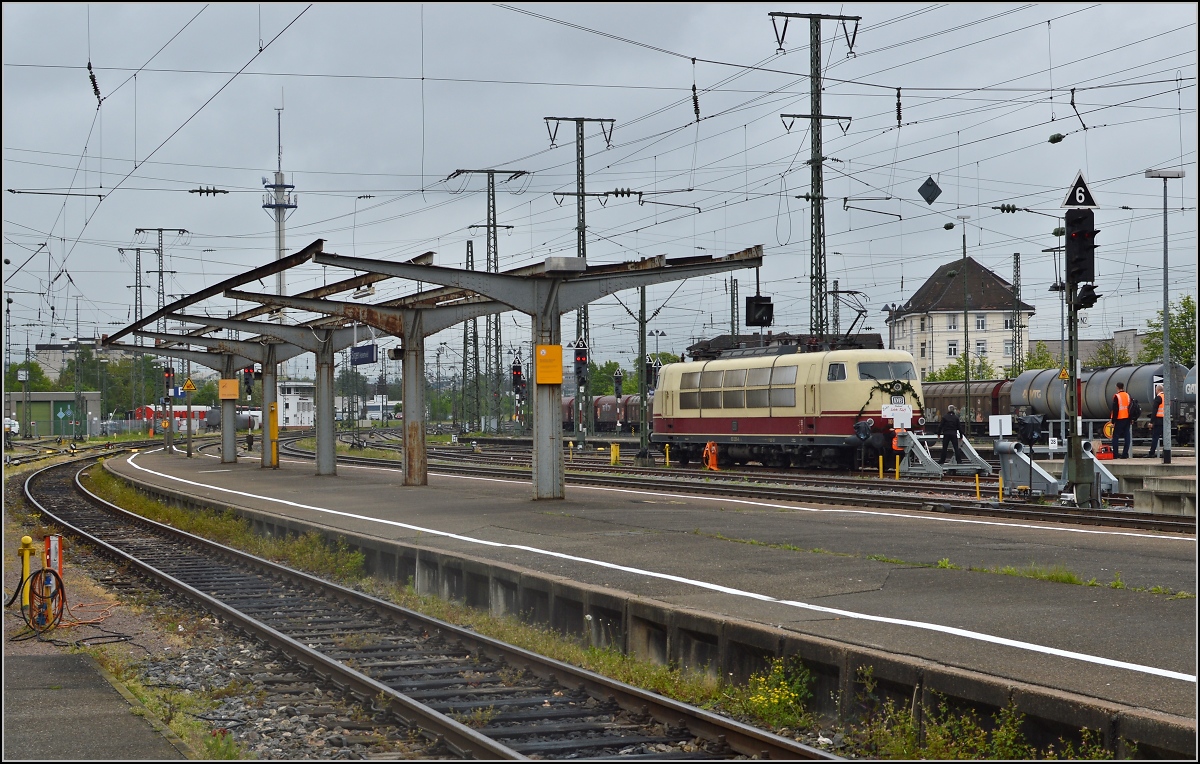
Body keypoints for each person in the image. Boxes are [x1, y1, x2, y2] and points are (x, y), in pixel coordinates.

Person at [1109, 381, 1133, 459]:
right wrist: (1132, 418)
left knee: (1115, 436)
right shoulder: (1128, 395)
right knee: (1127, 436)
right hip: (1127, 419)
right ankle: (1125, 454)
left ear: (1117, 387)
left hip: (1119, 419)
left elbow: (1115, 409)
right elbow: (1131, 408)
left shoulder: (1116, 396)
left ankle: (1115, 454)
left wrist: (1113, 421)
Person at [1147, 383, 1165, 458]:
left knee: (1155, 437)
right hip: (1165, 420)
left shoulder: (1158, 398)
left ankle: (1151, 453)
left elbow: (1154, 410)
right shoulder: (1166, 397)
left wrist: (1151, 422)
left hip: (1158, 420)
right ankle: (1165, 452)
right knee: (1165, 437)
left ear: (1157, 390)